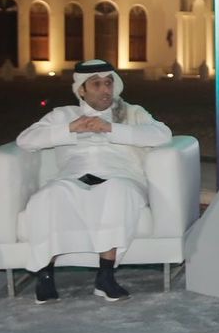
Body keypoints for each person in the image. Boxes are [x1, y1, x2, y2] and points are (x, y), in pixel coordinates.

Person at [16, 58, 174, 303]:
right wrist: (70, 128)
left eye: (108, 83)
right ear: (82, 90)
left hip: (121, 177)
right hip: (73, 178)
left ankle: (105, 276)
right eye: (96, 84)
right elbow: (25, 140)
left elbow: (162, 134)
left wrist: (111, 129)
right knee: (48, 196)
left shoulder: (131, 113)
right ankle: (45, 277)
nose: (105, 90)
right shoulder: (63, 115)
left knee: (117, 192)